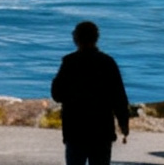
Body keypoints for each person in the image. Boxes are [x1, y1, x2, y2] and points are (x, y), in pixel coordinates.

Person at [49, 20, 131, 165]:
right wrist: (123, 122)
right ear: (96, 38)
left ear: (76, 38)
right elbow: (119, 97)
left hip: (75, 128)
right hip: (101, 129)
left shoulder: (69, 62)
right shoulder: (107, 63)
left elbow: (57, 94)